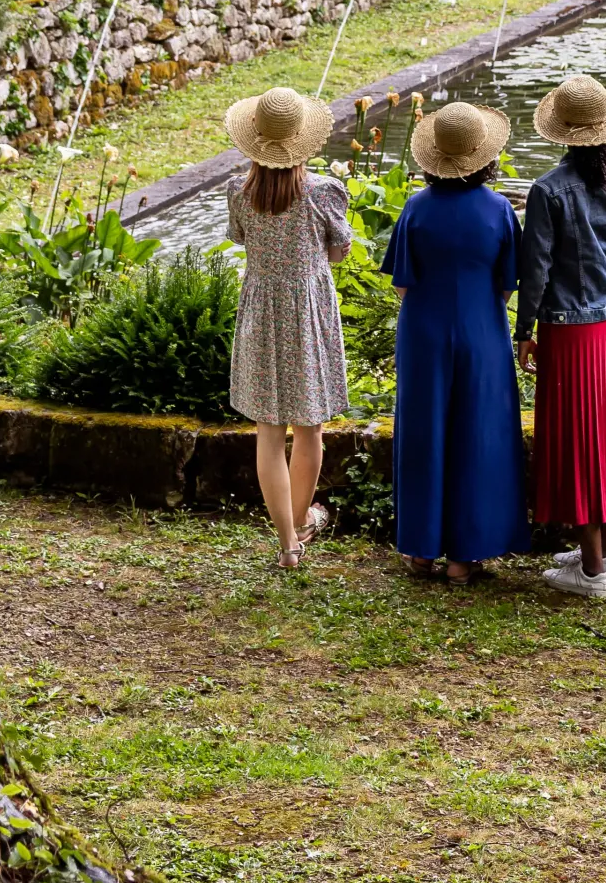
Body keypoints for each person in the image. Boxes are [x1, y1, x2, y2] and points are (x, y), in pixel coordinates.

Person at [515, 73, 606, 603]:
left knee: (580, 441)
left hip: (571, 330)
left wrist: (524, 332)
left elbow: (538, 269)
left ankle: (590, 574)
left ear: (563, 134)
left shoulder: (548, 191)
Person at [383, 99, 526, 583]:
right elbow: (508, 282)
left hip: (424, 329)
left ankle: (421, 550)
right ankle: (465, 558)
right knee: (479, 432)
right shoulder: (500, 209)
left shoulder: (416, 208)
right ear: (483, 156)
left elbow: (402, 282)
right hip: (482, 329)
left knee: (425, 432)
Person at [222, 85, 351, 571]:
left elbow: (240, 238)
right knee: (309, 428)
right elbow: (338, 251)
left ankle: (286, 545)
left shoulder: (239, 190)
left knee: (269, 433)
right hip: (308, 313)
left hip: (261, 309)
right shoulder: (323, 191)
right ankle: (300, 525)